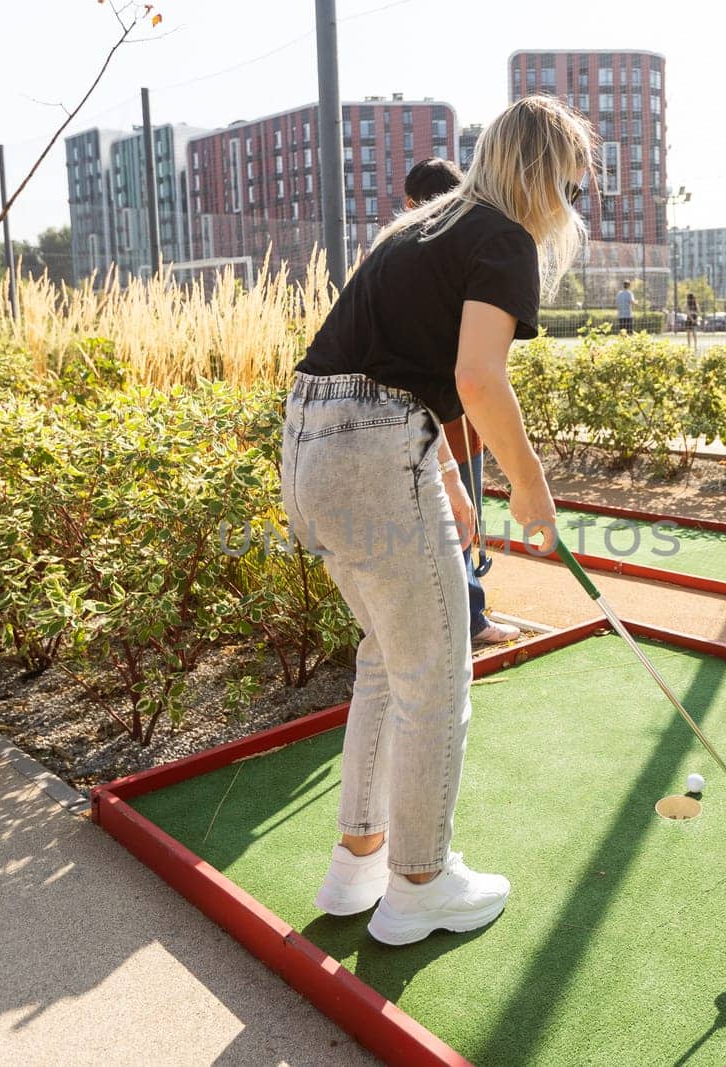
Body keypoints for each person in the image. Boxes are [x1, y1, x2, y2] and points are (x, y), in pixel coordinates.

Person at [283, 96, 589, 944]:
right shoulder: (502, 237)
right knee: (437, 676)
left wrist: (448, 475)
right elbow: (478, 378)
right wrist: (531, 490)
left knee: (387, 660)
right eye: (569, 181)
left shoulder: (418, 229)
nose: (570, 203)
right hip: (376, 456)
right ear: (545, 173)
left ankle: (359, 866)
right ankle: (420, 884)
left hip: (311, 450)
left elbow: (385, 371)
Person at [402, 157, 519, 647]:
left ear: (410, 204)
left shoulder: (398, 257)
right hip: (447, 424)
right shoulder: (461, 258)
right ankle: (468, 617)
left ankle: (460, 614)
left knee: (444, 522)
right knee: (458, 521)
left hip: (422, 424)